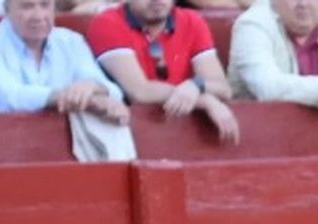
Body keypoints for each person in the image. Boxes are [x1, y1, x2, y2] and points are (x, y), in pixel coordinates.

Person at [86, 0, 240, 143]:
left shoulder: (191, 20)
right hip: (127, 134)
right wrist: (205, 101)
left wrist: (195, 86)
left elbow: (222, 88)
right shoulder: (107, 23)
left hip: (185, 133)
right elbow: (140, 92)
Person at [0, 0, 129, 121]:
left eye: (45, 5)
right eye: (27, 6)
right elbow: (10, 99)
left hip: (57, 148)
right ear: (7, 9)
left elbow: (114, 93)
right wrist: (70, 97)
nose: (38, 15)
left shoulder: (70, 41)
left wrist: (93, 87)